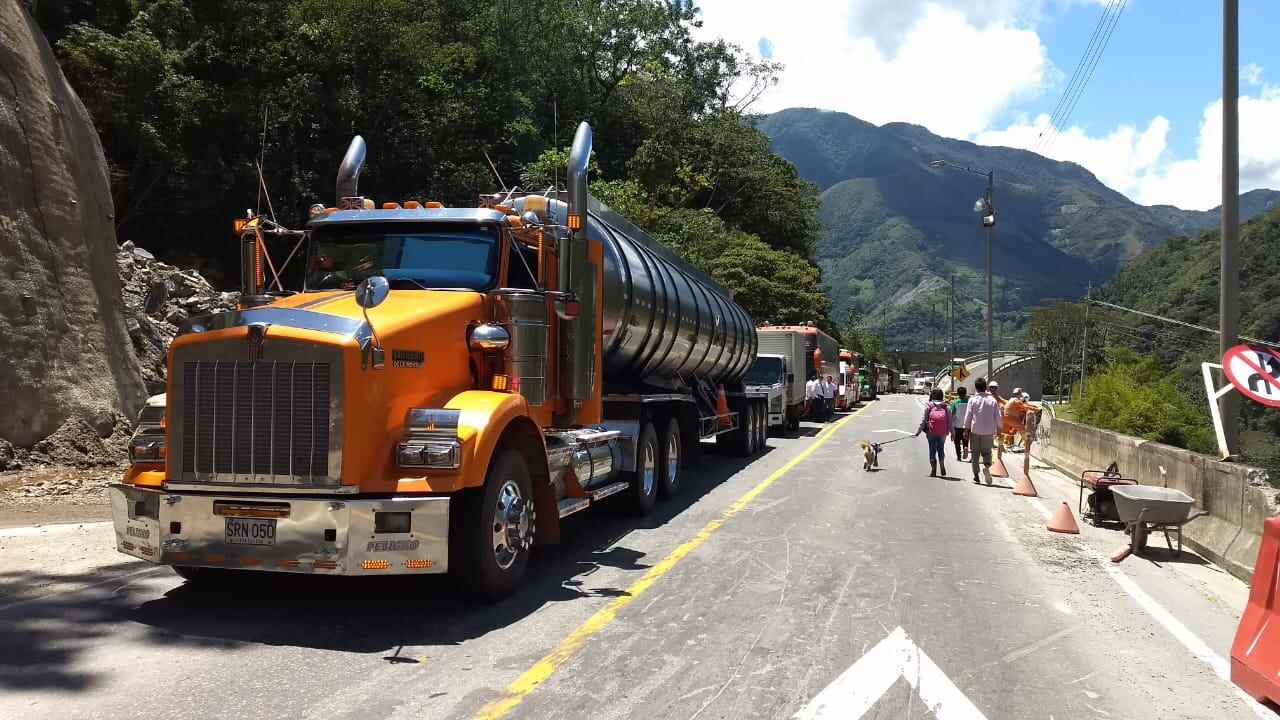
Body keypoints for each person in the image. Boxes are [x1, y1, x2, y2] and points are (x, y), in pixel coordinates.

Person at [964, 377, 1001, 485]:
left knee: (975, 454)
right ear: (986, 387)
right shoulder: (992, 400)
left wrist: (966, 429)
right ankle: (987, 467)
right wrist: (999, 428)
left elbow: (968, 415)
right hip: (989, 431)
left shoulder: (972, 399)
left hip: (975, 430)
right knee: (987, 452)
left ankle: (976, 475)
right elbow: (998, 416)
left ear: (976, 387)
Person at [915, 388, 952, 477]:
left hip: (930, 431)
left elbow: (923, 420)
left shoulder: (929, 405)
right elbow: (950, 422)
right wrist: (953, 434)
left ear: (932, 395)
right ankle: (942, 463)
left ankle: (933, 470)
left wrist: (918, 432)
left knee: (932, 449)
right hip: (943, 432)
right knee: (941, 448)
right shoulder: (946, 406)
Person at [949, 386, 969, 462]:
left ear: (957, 393)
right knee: (965, 439)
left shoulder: (955, 402)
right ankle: (965, 447)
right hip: (966, 425)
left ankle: (959, 456)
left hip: (957, 425)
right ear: (965, 393)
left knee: (957, 442)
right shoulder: (969, 401)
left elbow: (952, 414)